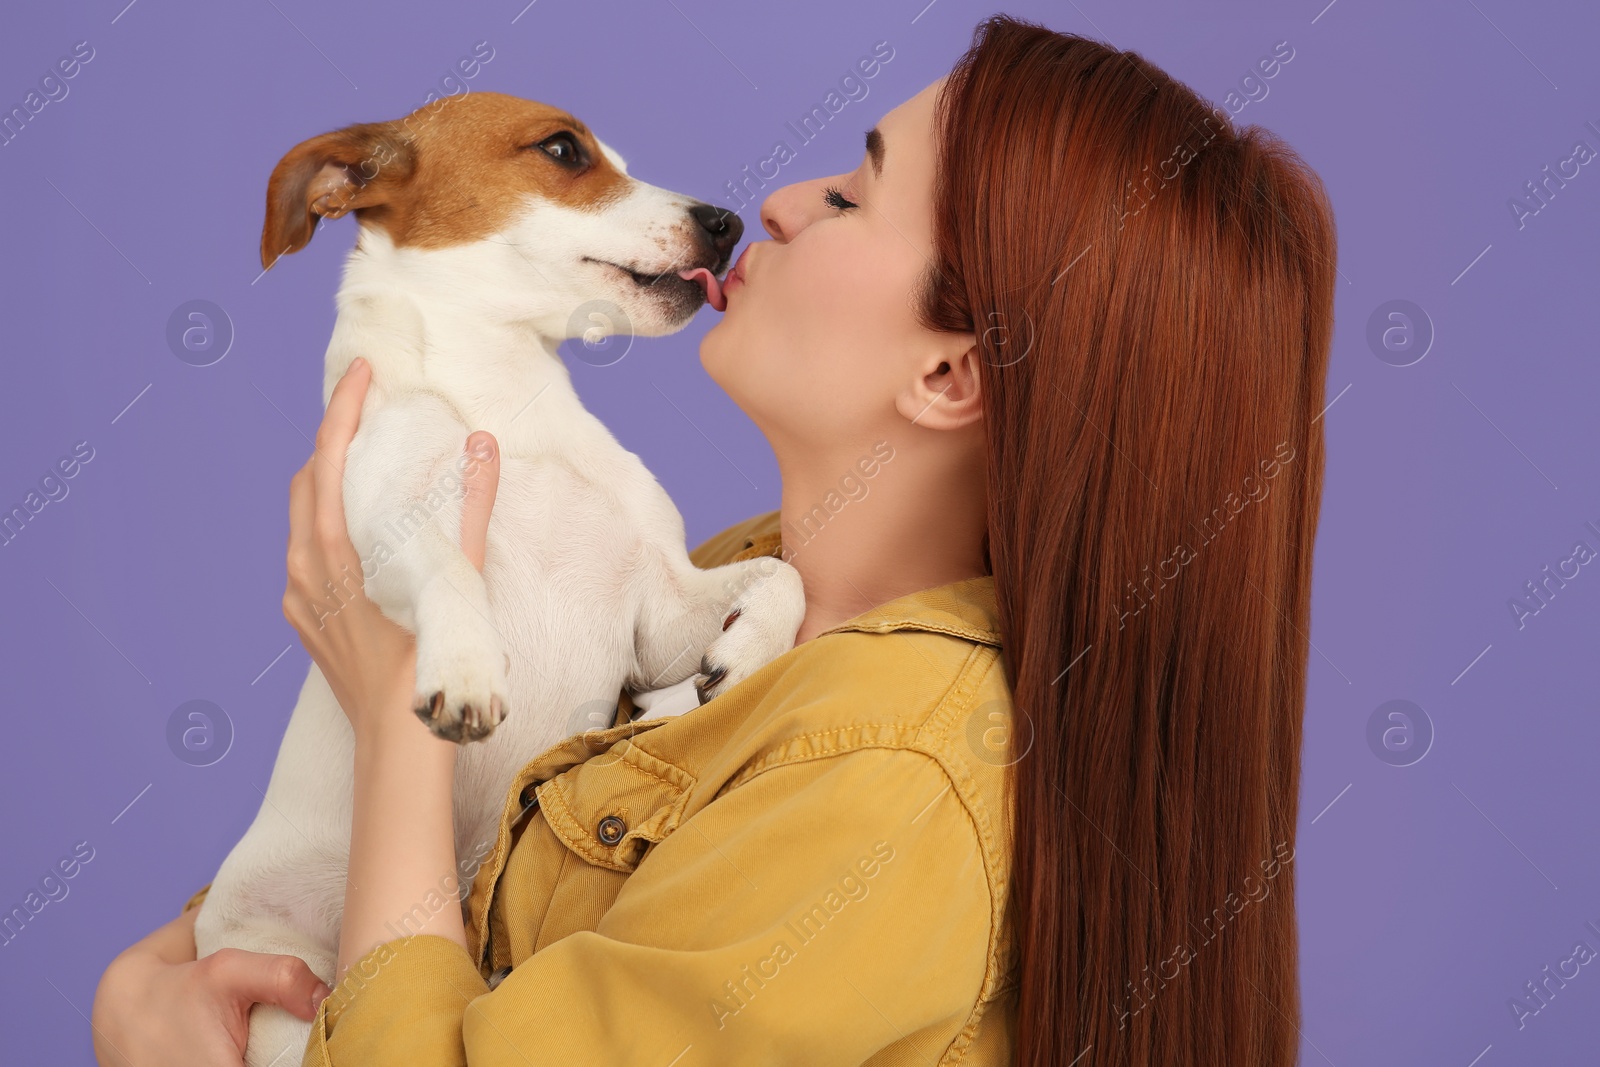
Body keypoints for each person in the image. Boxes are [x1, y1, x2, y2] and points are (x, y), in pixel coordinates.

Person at [92, 15, 1334, 1067]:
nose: (779, 201)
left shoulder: (887, 780)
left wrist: (399, 728)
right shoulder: (747, 582)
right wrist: (143, 986)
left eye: (851, 196)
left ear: (954, 368)